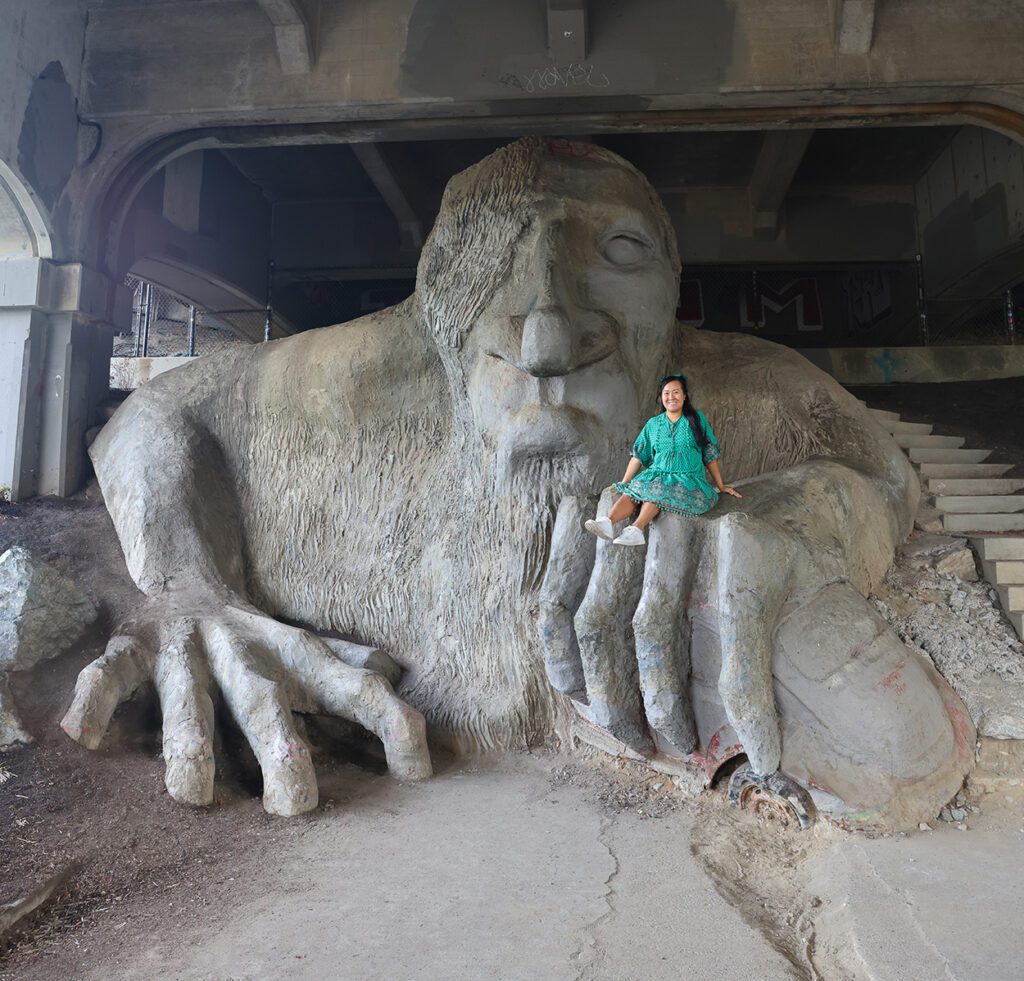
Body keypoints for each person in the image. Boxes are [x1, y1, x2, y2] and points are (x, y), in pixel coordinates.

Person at [585, 374, 742, 546]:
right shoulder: (653, 424)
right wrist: (623, 483)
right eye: (666, 393)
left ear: (684, 396)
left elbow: (709, 453)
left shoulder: (696, 419)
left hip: (688, 477)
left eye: (676, 392)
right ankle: (607, 522)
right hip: (657, 473)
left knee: (658, 488)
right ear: (661, 397)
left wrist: (721, 485)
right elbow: (638, 456)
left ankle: (636, 529)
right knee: (633, 490)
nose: (671, 397)